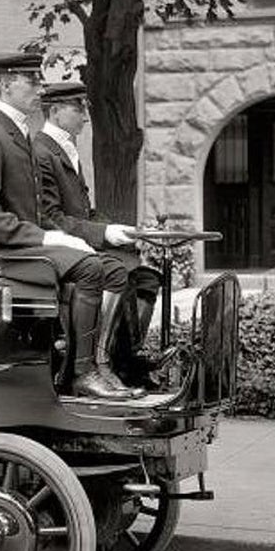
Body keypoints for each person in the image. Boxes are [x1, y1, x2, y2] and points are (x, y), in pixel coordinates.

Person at [0, 52, 141, 400]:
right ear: (6, 84)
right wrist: (47, 236)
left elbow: (33, 209)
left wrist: (61, 235)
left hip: (22, 247)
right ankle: (82, 373)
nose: (40, 89)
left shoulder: (17, 133)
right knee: (90, 268)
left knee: (115, 272)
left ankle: (100, 365)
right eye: (32, 81)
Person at [34, 80, 163, 390]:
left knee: (147, 277)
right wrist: (104, 232)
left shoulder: (64, 149)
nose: (85, 115)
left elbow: (85, 212)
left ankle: (129, 359)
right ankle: (97, 364)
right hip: (59, 250)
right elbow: (50, 218)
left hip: (79, 241)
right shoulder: (41, 152)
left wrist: (126, 231)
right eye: (77, 108)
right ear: (54, 111)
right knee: (119, 271)